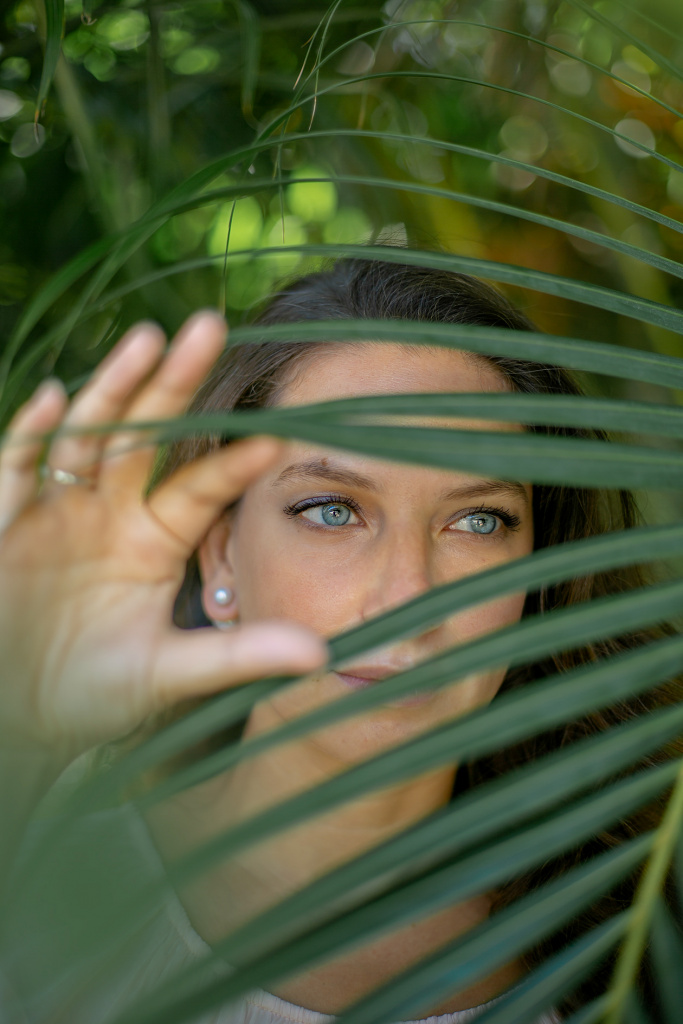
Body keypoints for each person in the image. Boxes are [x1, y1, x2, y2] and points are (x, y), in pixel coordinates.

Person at [0, 257, 671, 1024]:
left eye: (477, 520)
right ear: (222, 557)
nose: (407, 598)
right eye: (331, 510)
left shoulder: (636, 930)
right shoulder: (31, 882)